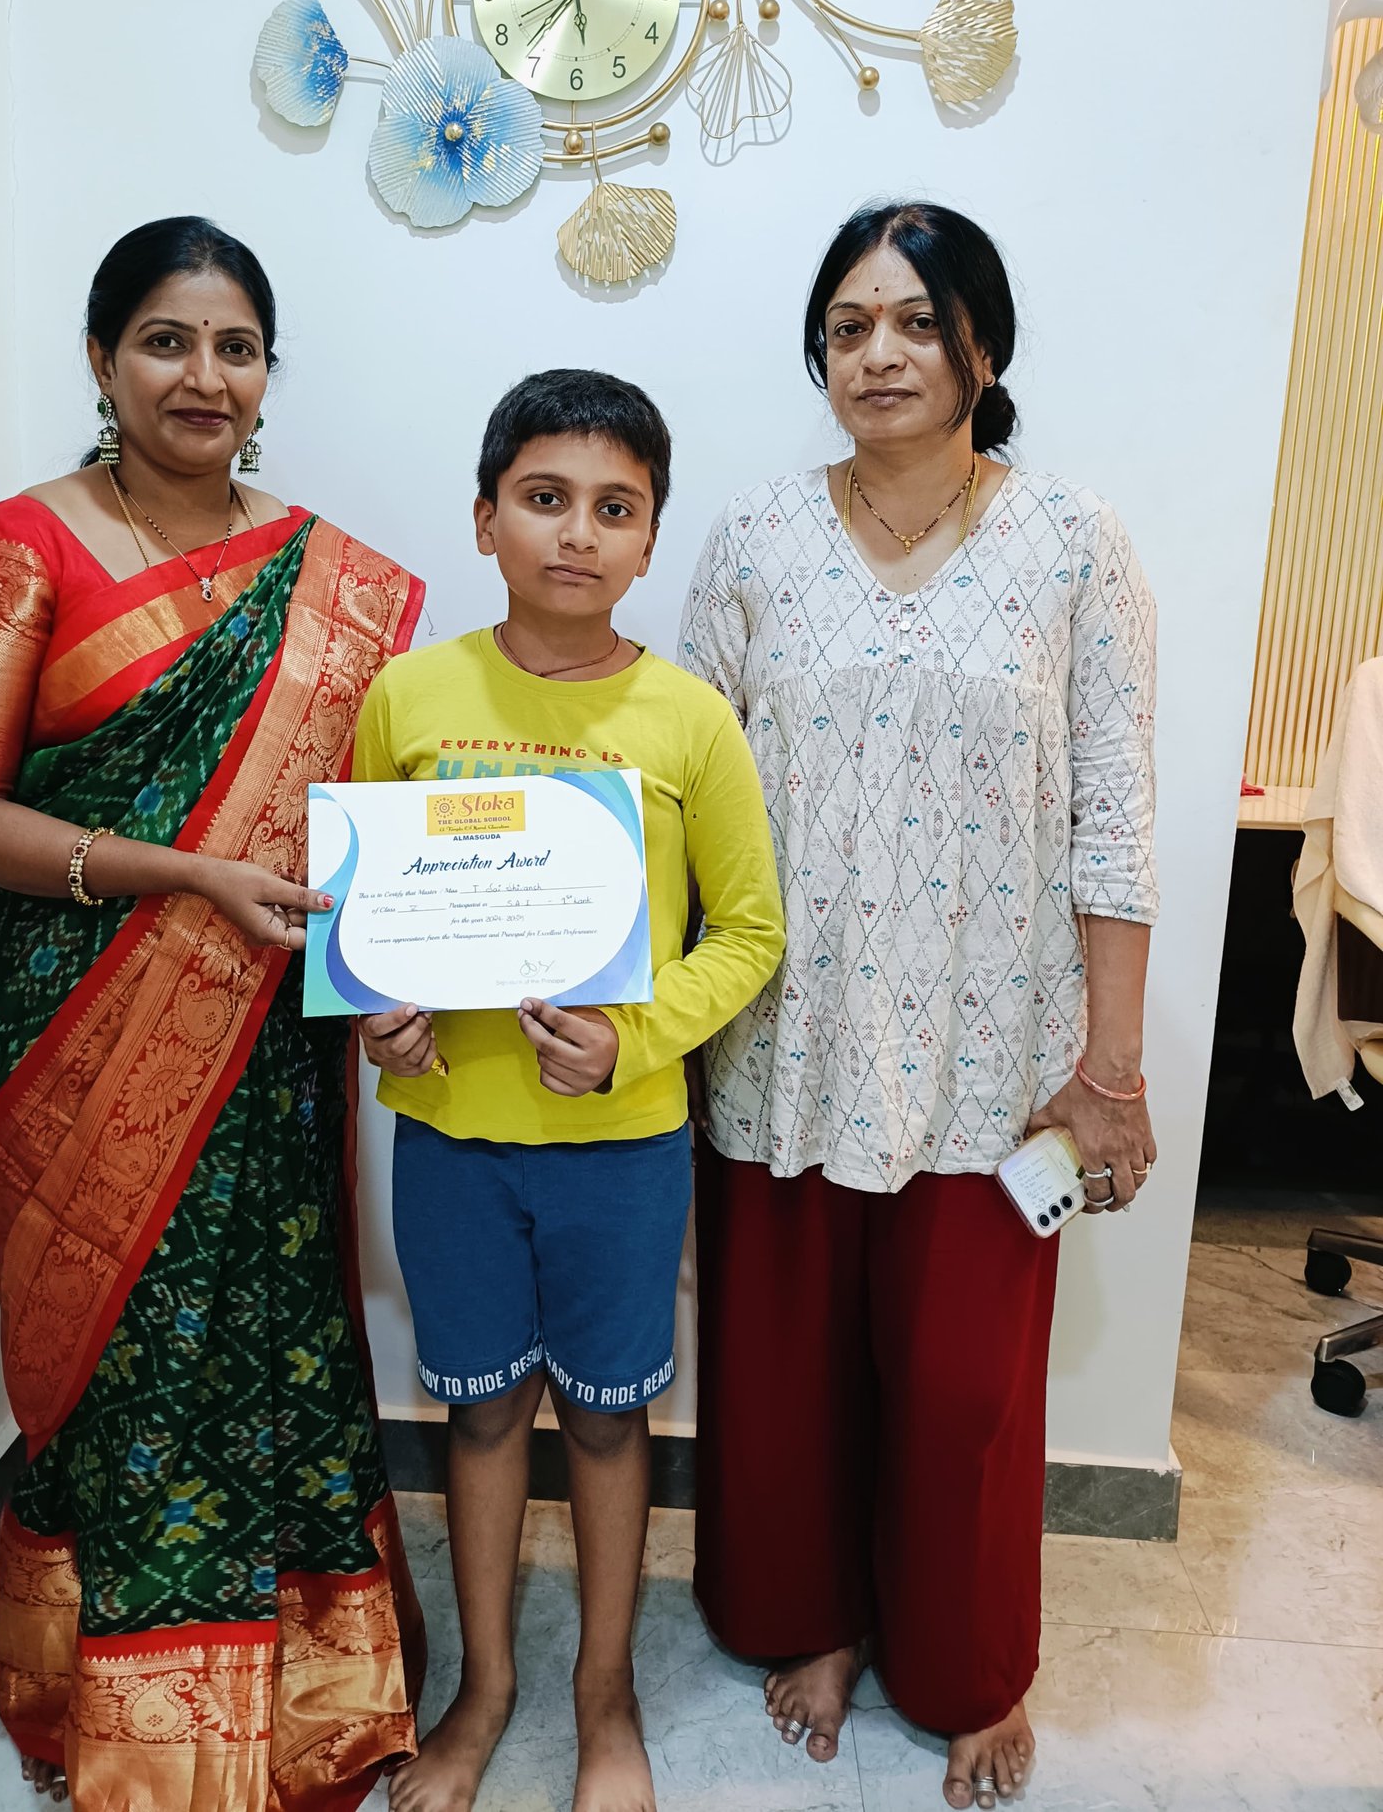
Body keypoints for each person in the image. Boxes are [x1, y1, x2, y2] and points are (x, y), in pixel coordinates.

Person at [0, 216, 426, 1812]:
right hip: (75, 1036)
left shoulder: (328, 573)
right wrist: (179, 872)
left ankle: (308, 1696)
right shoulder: (16, 549)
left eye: (237, 347)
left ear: (268, 374)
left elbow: (362, 815)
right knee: (126, 1363)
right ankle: (132, 1719)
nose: (205, 375)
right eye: (166, 340)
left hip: (269, 1040)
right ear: (101, 357)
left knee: (278, 1335)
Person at [679, 203, 1159, 1812]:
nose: (876, 352)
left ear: (983, 348)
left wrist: (1110, 1068)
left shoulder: (1075, 542)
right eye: (847, 326)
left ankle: (961, 1660)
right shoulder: (754, 537)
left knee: (964, 1391)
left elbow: (1115, 820)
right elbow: (680, 796)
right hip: (782, 1037)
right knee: (785, 1370)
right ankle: (813, 1620)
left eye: (913, 321)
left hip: (992, 1057)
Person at [353, 370, 785, 1812]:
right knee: (479, 1417)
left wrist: (636, 1037)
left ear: (651, 538)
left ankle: (606, 1698)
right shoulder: (410, 696)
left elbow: (751, 932)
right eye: (545, 499)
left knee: (605, 1421)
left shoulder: (690, 720)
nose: (578, 533)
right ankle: (485, 1688)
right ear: (487, 518)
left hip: (619, 1148)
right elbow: (368, 923)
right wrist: (383, 1020)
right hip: (454, 1144)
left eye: (615, 507)